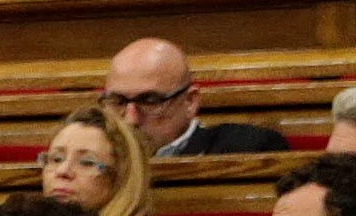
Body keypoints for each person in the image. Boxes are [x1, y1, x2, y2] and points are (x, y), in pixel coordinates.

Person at [112, 36, 293, 160]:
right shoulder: (92, 158)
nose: (130, 120)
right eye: (118, 102)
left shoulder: (250, 149)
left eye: (150, 101)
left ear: (190, 102)